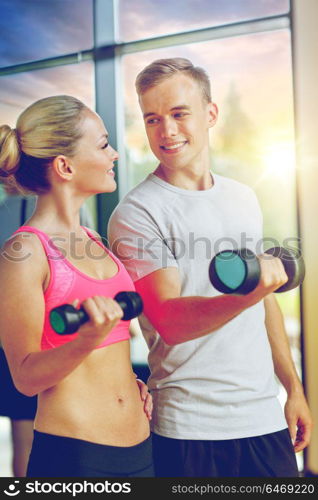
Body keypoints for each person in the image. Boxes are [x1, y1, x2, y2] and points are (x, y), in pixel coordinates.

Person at [108, 58, 313, 477]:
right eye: (153, 119)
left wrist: (293, 389)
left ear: (210, 113)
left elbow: (266, 301)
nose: (167, 131)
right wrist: (253, 290)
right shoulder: (137, 212)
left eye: (179, 113)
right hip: (190, 428)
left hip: (264, 419)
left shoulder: (242, 197)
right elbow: (171, 321)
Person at [0, 95, 154, 477]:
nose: (115, 154)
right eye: (103, 144)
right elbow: (25, 378)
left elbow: (110, 346)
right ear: (65, 166)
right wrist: (84, 340)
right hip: (76, 458)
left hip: (139, 447)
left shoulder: (93, 239)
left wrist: (127, 381)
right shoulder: (24, 252)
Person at [0, 186, 94, 477]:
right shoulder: (71, 211)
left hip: (14, 343)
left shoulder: (4, 211)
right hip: (55, 339)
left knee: (25, 438)